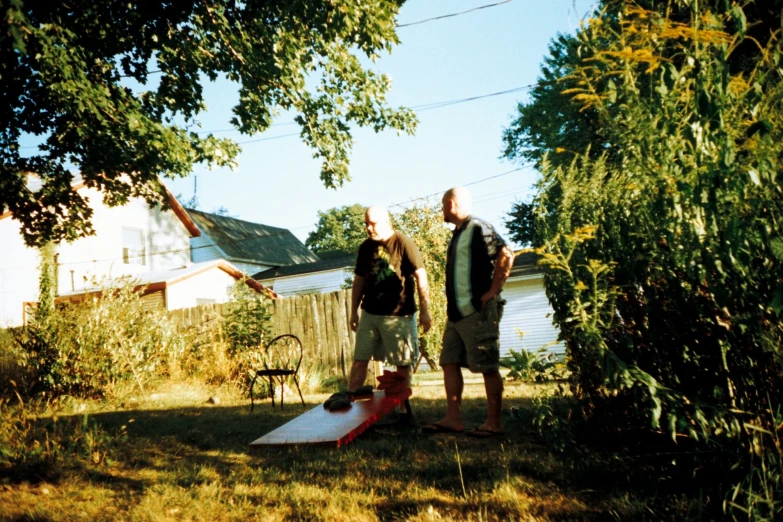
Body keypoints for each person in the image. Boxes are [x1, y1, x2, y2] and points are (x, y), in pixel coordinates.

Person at [424, 186, 514, 437]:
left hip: (477, 311)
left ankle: (493, 424)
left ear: (451, 204)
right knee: (449, 362)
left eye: (443, 205)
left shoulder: (477, 227)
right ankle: (453, 419)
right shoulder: (459, 232)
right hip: (456, 316)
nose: (442, 210)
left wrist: (493, 290)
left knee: (487, 365)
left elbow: (506, 253)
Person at [347, 205, 432, 394]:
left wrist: (425, 310)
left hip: (398, 315)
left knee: (402, 363)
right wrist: (354, 311)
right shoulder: (366, 247)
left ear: (386, 222)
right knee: (360, 359)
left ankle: (403, 410)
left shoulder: (402, 242)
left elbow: (421, 276)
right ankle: (350, 406)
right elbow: (359, 280)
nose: (369, 228)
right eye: (366, 224)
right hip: (370, 313)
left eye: (373, 224)